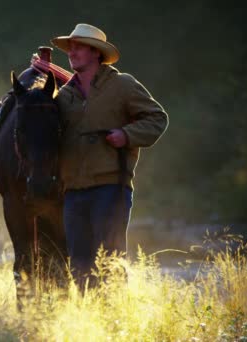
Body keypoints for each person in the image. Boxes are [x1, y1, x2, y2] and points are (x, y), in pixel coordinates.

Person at [51, 24, 168, 285]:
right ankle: (88, 320)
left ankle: (114, 318)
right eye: (71, 47)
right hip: (72, 191)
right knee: (79, 263)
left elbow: (157, 118)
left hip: (111, 186)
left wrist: (126, 135)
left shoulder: (122, 85)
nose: (72, 52)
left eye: (79, 47)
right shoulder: (63, 96)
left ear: (96, 52)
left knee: (111, 261)